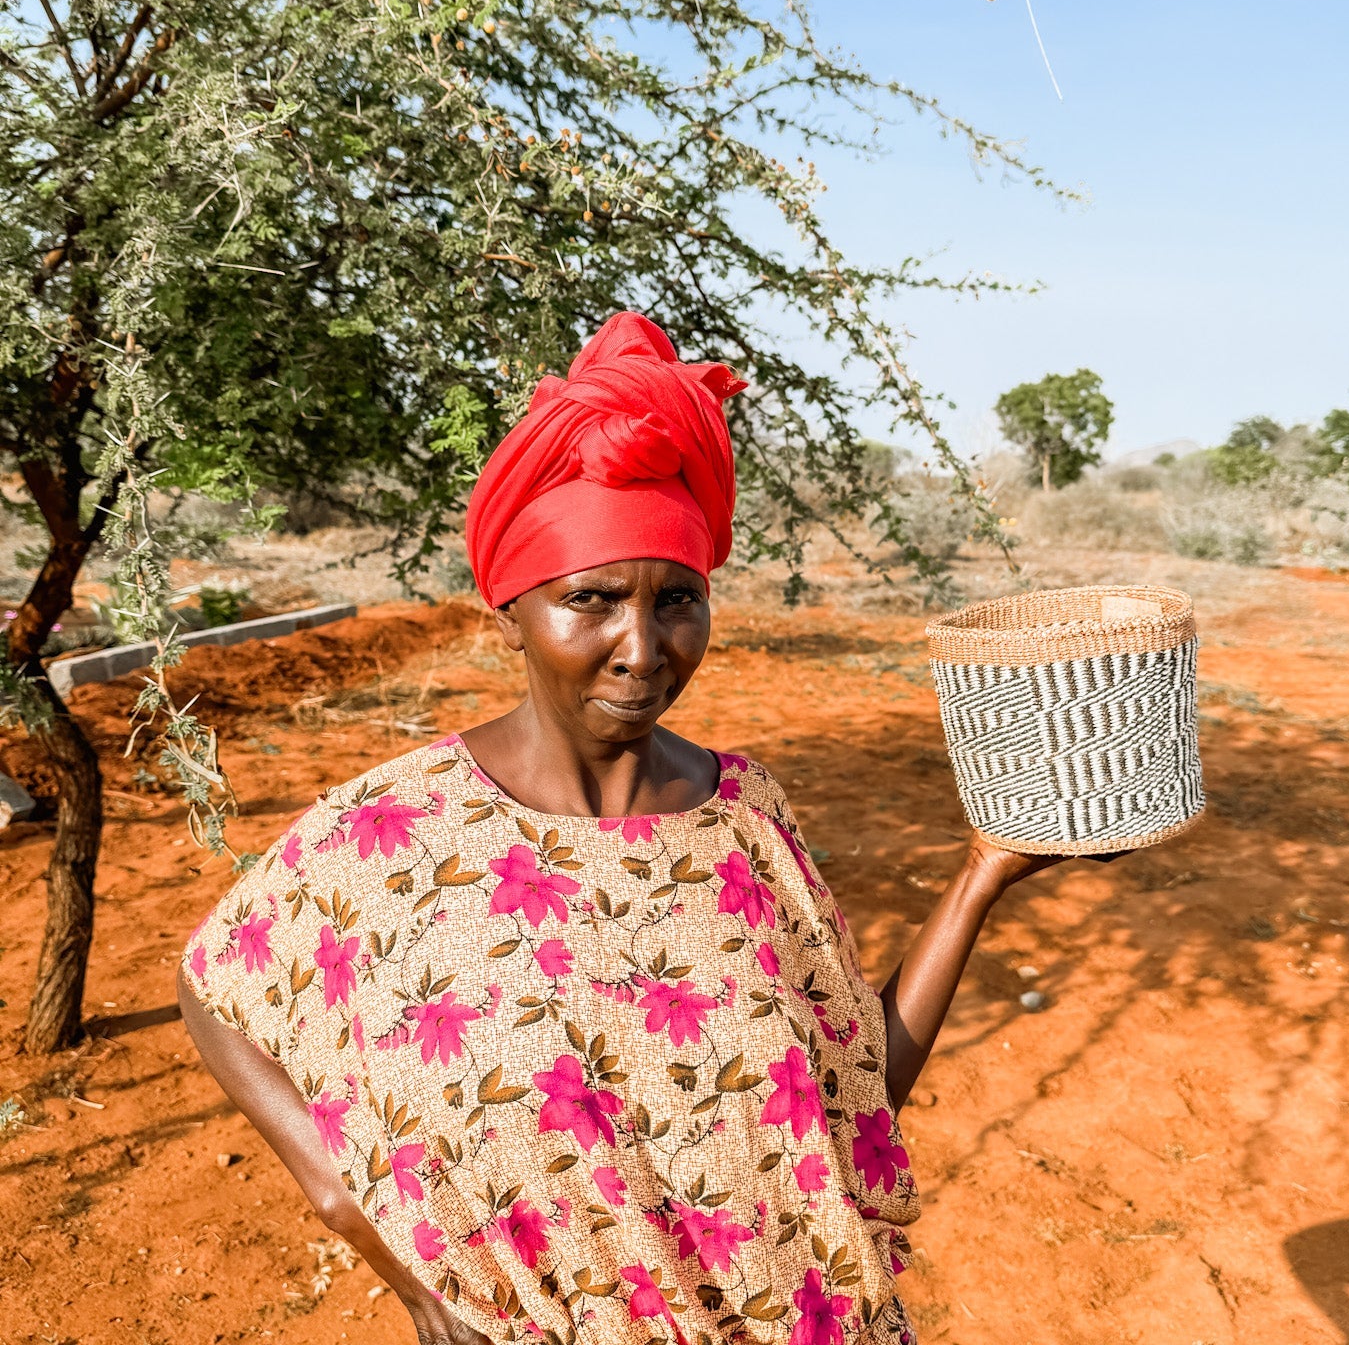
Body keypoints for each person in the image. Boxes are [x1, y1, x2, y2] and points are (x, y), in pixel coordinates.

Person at [178, 311, 1095, 1345]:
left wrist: (982, 878)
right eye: (593, 598)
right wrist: (368, 1229)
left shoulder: (744, 815)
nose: (642, 648)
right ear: (510, 607)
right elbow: (216, 984)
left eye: (678, 601)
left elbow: (851, 1094)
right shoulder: (390, 834)